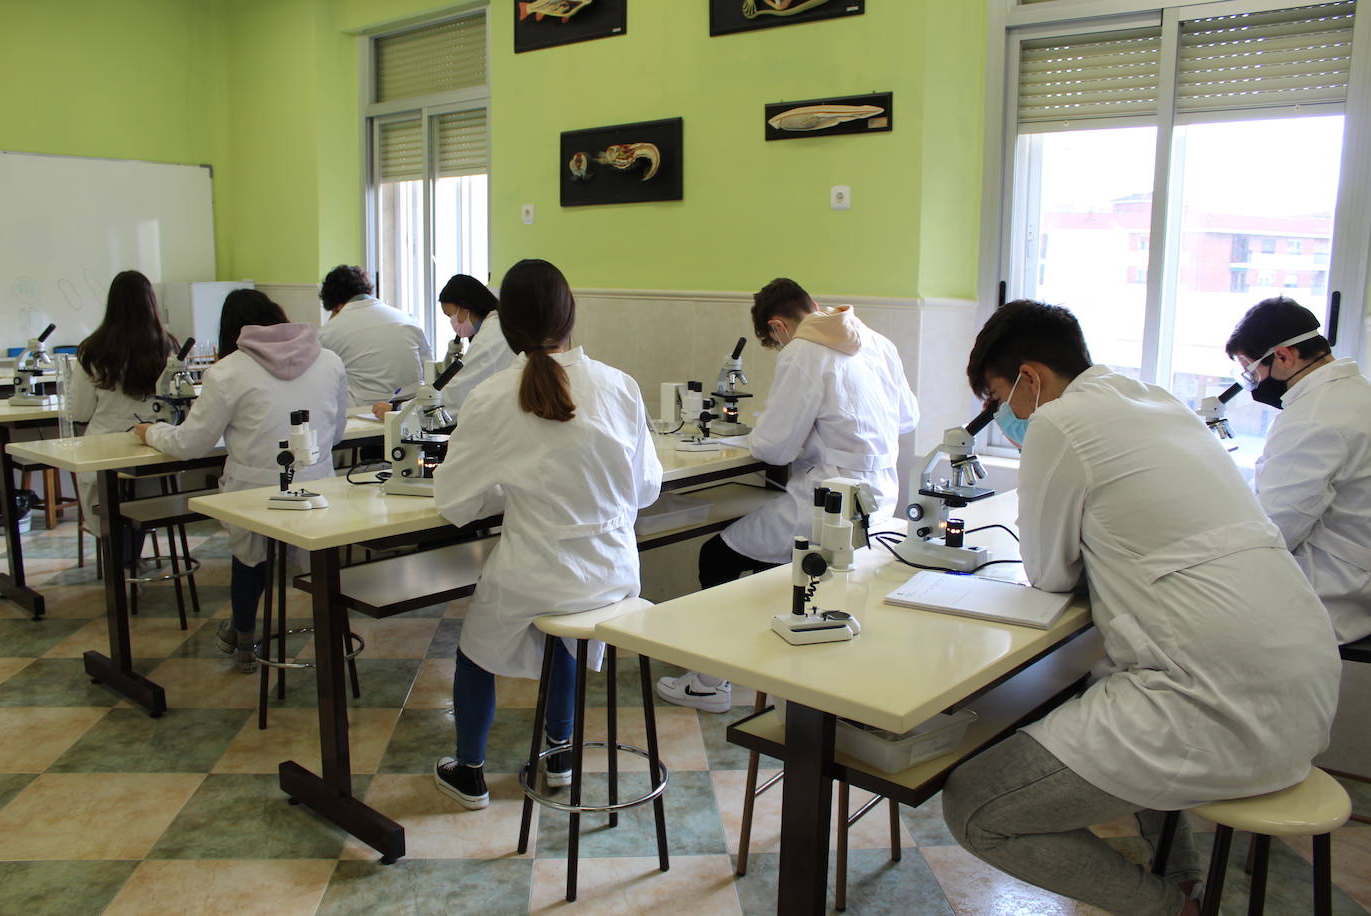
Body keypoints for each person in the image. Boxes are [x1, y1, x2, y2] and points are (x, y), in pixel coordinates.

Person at [940, 300, 1341, 916]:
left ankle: (1169, 908)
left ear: (1030, 377)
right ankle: (1182, 882)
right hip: (1305, 685)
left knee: (977, 806)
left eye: (1001, 399)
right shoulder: (1155, 401)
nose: (1007, 417)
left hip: (1212, 701)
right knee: (1099, 693)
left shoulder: (1059, 421)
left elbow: (1048, 573)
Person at [430, 259, 662, 810]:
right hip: (613, 575)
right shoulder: (619, 385)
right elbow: (645, 490)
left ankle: (469, 771)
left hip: (533, 573)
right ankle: (559, 756)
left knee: (473, 652)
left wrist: (510, 489)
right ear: (570, 316)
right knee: (566, 640)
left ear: (504, 324)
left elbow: (453, 503)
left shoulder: (492, 396)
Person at [656, 277, 918, 713]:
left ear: (777, 327)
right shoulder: (874, 340)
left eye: (773, 342)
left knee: (717, 556)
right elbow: (907, 419)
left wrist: (768, 429)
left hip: (827, 498)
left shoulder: (802, 351)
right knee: (776, 561)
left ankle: (708, 683)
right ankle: (761, 662)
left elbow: (773, 447)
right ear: (813, 304)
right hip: (879, 494)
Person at [134, 290, 348, 673]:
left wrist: (151, 432)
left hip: (253, 493)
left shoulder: (228, 370)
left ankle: (245, 638)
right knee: (316, 562)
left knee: (250, 559)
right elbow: (335, 432)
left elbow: (190, 444)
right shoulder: (329, 362)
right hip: (319, 488)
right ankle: (332, 638)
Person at [1225, 296, 1371, 644]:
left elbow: (1276, 532)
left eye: (1252, 372)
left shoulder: (1312, 418)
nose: (1255, 383)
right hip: (1355, 575)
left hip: (1331, 593)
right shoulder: (1357, 392)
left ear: (1284, 356)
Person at [67, 270, 179, 515]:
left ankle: (120, 552)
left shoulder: (93, 349)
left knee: (110, 524)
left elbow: (80, 411)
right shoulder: (168, 345)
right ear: (152, 302)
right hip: (155, 453)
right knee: (146, 514)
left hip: (104, 453)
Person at [371, 274, 516, 420]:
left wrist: (399, 410)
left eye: (451, 315)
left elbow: (457, 396)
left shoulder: (489, 338)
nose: (453, 323)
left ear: (465, 308)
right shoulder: (498, 327)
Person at [317, 265, 430, 408]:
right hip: (409, 411)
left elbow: (321, 381)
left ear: (334, 305)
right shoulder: (407, 318)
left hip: (362, 415)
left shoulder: (329, 332)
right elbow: (428, 368)